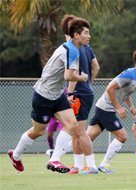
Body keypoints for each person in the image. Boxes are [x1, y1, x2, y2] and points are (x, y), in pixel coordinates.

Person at [7, 18, 90, 173]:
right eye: (86, 33)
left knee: (72, 125)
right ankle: (16, 155)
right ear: (76, 35)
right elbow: (68, 76)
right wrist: (82, 77)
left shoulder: (72, 46)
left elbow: (69, 34)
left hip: (57, 95)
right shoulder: (72, 50)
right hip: (43, 95)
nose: (89, 36)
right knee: (37, 131)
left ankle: (54, 160)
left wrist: (71, 22)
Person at [86, 46, 136, 173]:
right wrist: (118, 108)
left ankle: (61, 154)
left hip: (103, 107)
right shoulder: (129, 74)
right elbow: (110, 88)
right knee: (122, 136)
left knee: (86, 138)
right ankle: (104, 165)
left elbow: (125, 93)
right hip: (107, 108)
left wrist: (131, 106)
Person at [48, 14, 100, 175]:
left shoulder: (73, 49)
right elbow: (96, 67)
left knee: (78, 130)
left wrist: (71, 93)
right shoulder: (85, 48)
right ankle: (77, 166)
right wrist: (89, 83)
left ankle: (91, 166)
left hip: (79, 92)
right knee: (76, 131)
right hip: (85, 91)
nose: (86, 35)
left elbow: (72, 74)